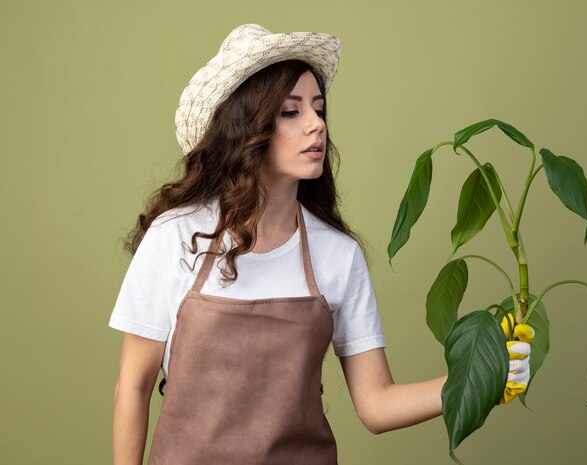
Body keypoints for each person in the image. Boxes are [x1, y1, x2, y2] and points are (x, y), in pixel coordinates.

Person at [109, 24, 532, 465]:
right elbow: (132, 389)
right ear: (245, 129)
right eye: (290, 112)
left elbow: (376, 405)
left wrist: (482, 376)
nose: (316, 124)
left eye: (319, 108)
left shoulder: (338, 255)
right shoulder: (176, 236)